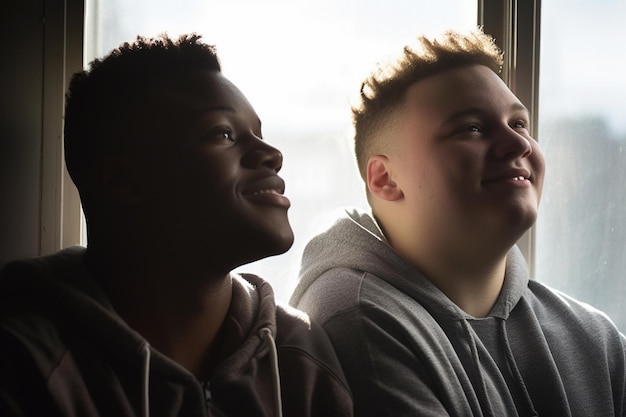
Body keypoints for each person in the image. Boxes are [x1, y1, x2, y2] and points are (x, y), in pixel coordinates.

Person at [0, 34, 353, 417]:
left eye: (260, 135)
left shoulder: (300, 357)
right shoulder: (24, 364)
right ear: (123, 182)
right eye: (223, 134)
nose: (272, 155)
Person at [290, 28, 626, 417]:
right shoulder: (355, 320)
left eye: (519, 124)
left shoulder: (594, 338)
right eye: (472, 128)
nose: (518, 144)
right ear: (385, 179)